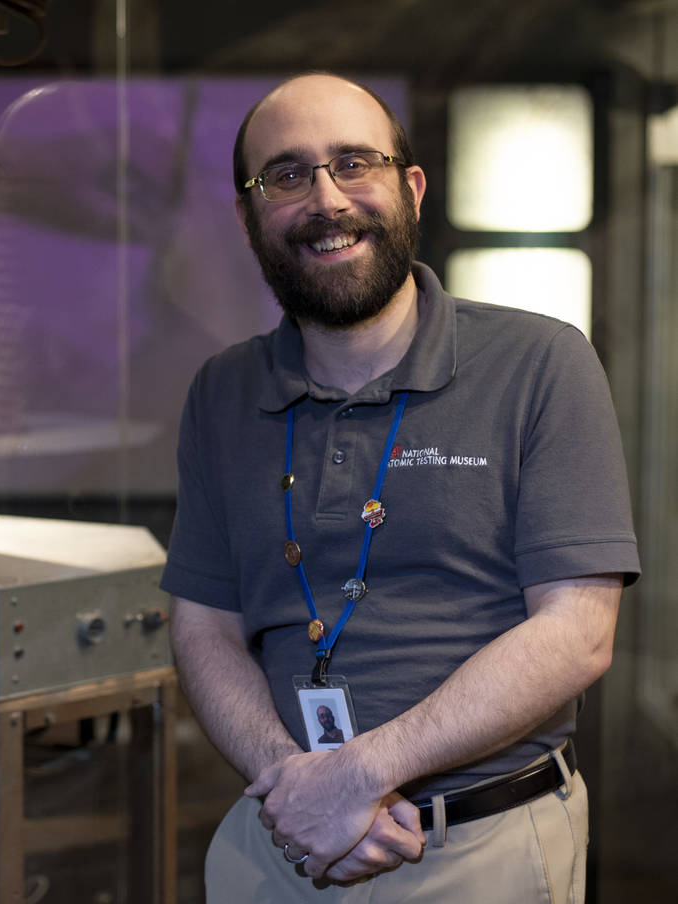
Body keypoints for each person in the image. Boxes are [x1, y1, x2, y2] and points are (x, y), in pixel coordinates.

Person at [159, 72, 640, 903]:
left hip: (476, 847)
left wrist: (361, 775)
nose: (325, 198)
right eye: (286, 174)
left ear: (410, 188)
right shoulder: (221, 391)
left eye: (355, 163)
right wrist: (299, 787)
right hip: (278, 840)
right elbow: (204, 624)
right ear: (247, 218)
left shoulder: (541, 363)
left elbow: (578, 632)